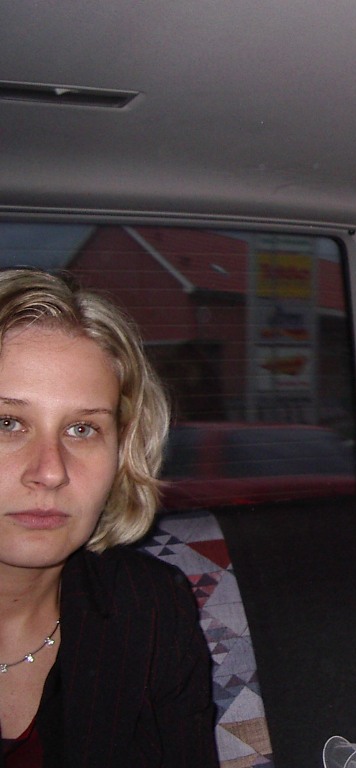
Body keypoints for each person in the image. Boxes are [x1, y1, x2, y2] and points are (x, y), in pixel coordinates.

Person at [0, 268, 218, 767]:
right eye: (7, 422)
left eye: (82, 429)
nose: (50, 472)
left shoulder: (147, 605)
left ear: (123, 453)